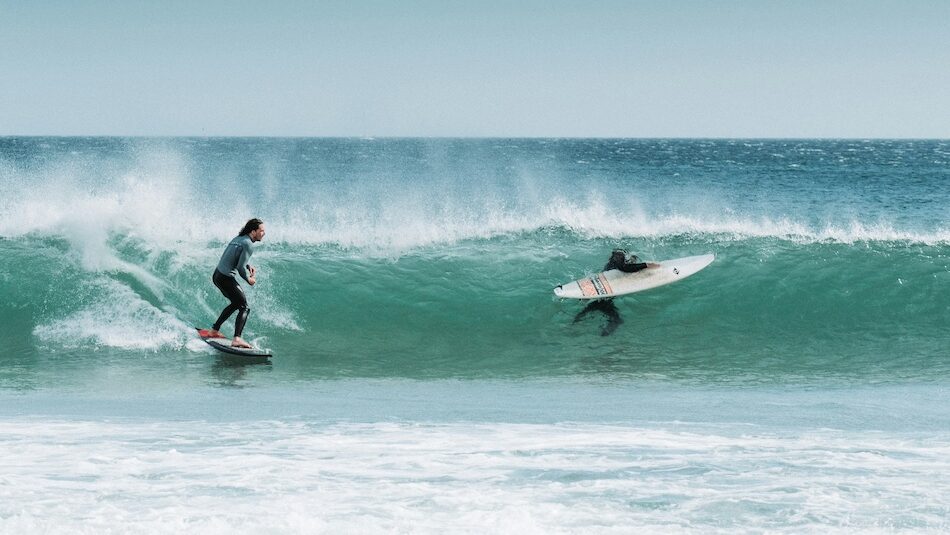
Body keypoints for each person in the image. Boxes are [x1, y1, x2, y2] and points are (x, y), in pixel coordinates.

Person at [207, 218, 266, 348]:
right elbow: (239, 268)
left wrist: (247, 265)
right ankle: (237, 339)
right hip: (226, 278)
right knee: (244, 307)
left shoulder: (238, 239)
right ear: (253, 231)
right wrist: (249, 280)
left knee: (236, 303)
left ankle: (214, 330)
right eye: (261, 231)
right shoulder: (248, 244)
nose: (263, 233)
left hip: (217, 275)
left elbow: (235, 258)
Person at [573, 249, 660, 336]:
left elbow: (626, 269)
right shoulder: (619, 255)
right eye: (632, 261)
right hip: (603, 296)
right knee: (616, 319)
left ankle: (574, 326)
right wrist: (646, 265)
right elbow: (624, 267)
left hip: (603, 296)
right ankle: (601, 337)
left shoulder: (614, 265)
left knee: (592, 310)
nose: (633, 262)